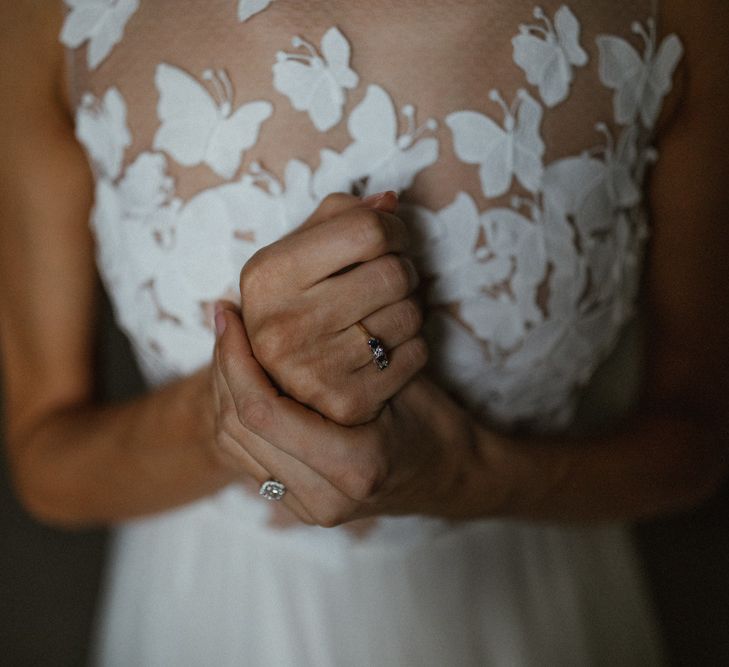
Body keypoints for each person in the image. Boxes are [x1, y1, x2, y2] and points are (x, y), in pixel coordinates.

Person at [1, 0, 727, 665]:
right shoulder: (48, 15)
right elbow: (48, 463)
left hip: (524, 606)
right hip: (213, 614)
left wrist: (474, 477)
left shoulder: (681, 16)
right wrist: (230, 415)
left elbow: (697, 437)